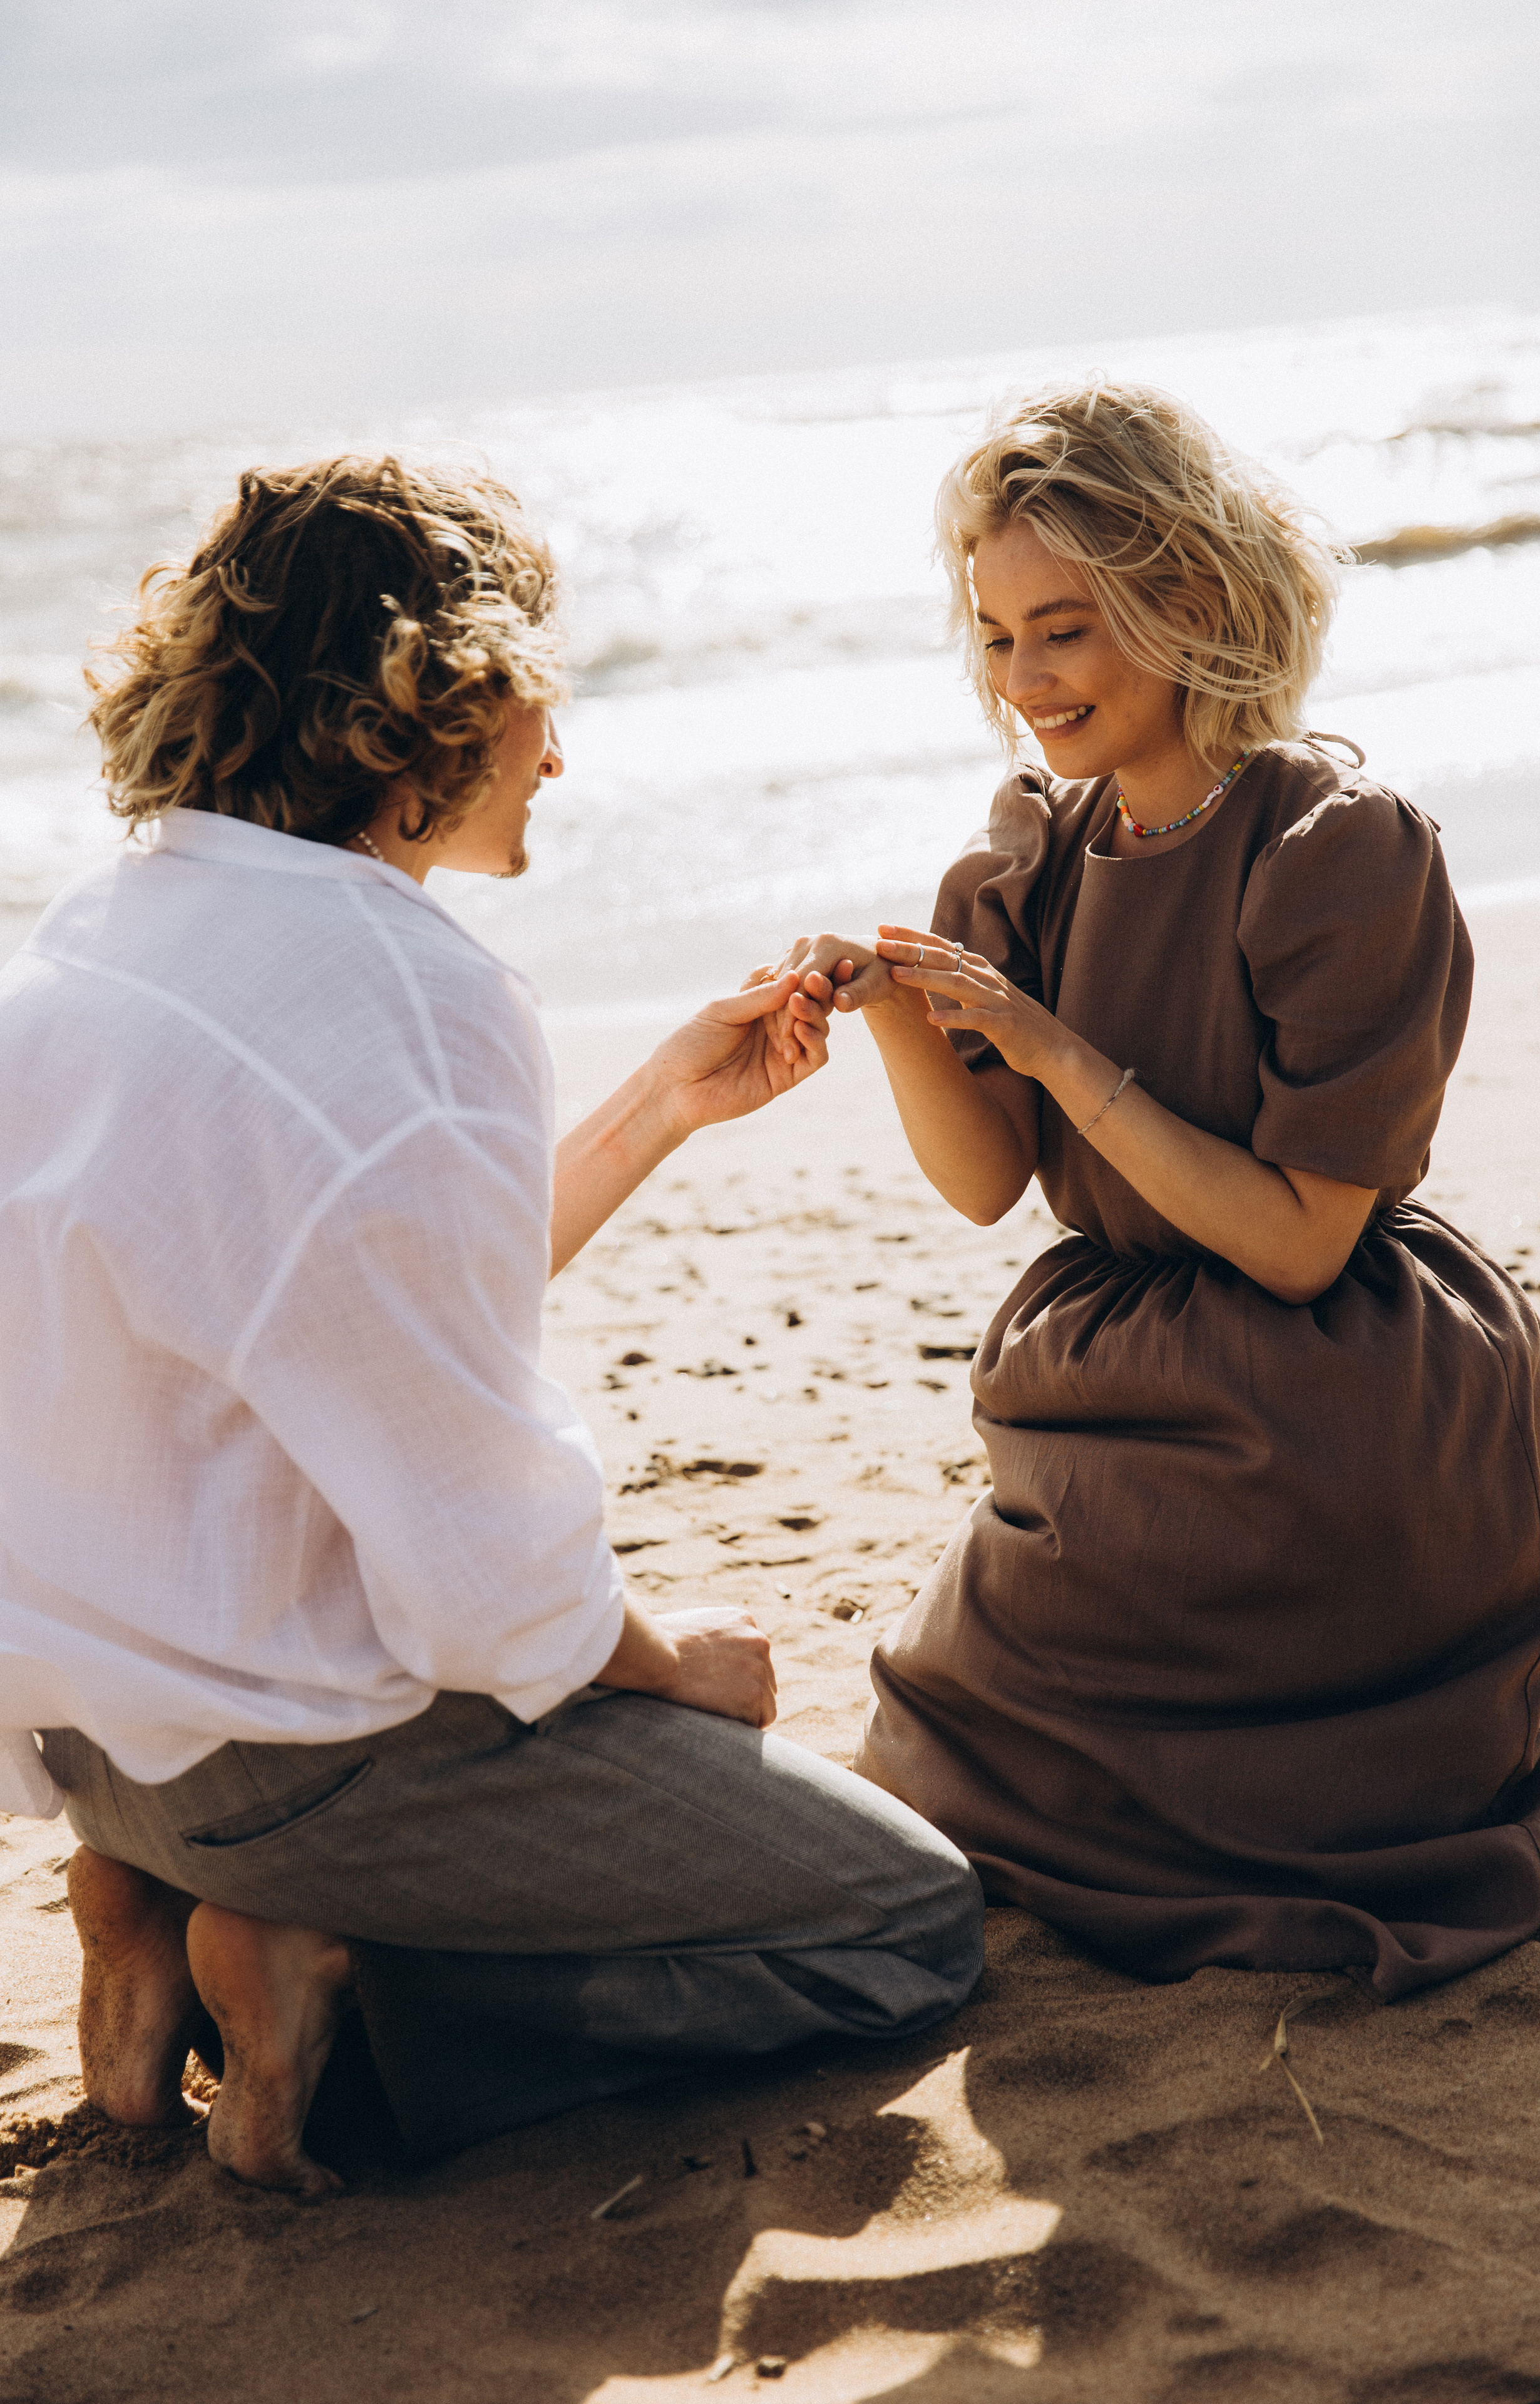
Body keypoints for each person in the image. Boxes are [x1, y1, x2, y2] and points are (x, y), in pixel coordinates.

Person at [0, 455, 983, 2196]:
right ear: (431, 706)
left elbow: (341, 1315)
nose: (557, 751)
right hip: (287, 1766)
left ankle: (147, 1906)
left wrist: (654, 1115)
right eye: (541, 698)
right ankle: (335, 1973)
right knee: (904, 1921)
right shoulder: (413, 1001)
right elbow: (485, 1581)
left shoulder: (110, 927)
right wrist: (674, 1665)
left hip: (92, 1739)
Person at [780, 381, 1540, 2000]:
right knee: (943, 1745)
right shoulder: (1030, 856)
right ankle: (1524, 1670)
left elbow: (1302, 1243)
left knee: (1039, 1775)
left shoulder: (1341, 849)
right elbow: (986, 1183)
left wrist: (1059, 1050)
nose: (1026, 682)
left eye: (1066, 629)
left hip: (1347, 1394)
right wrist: (893, 1018)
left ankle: (1509, 1663)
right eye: (1002, 636)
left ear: (1194, 599)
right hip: (1118, 1383)